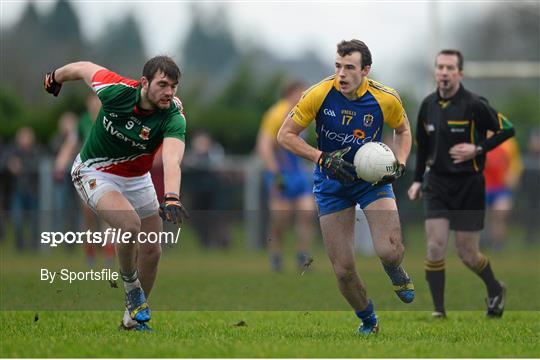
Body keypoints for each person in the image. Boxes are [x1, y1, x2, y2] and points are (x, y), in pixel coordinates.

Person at [277, 39, 414, 334]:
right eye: (338, 66)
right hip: (331, 184)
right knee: (343, 270)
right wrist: (321, 158)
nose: (341, 74)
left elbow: (402, 130)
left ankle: (394, 268)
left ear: (366, 70)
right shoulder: (318, 94)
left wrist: (399, 162)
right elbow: (285, 135)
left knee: (389, 250)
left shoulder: (385, 98)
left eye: (349, 67)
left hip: (371, 182)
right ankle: (368, 319)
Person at [44, 56, 189, 331]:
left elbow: (172, 159)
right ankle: (132, 287)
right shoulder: (116, 90)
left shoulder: (173, 115)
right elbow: (84, 68)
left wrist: (171, 195)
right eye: (162, 84)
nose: (169, 92)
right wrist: (56, 76)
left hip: (137, 179)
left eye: (174, 86)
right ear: (144, 83)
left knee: (152, 251)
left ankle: (131, 319)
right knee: (129, 223)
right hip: (93, 172)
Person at [407, 49, 515, 319]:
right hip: (437, 185)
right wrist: (417, 180)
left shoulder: (475, 103)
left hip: (469, 185)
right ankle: (439, 311)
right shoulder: (427, 105)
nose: (444, 72)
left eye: (450, 68)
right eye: (440, 67)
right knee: (434, 245)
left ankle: (495, 288)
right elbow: (422, 148)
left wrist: (478, 148)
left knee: (467, 253)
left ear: (460, 73)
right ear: (435, 71)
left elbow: (507, 129)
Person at [256, 80, 316, 271]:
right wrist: (275, 171)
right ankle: (276, 254)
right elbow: (264, 145)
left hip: (298, 172)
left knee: (307, 212)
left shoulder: (304, 113)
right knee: (281, 219)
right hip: (280, 172)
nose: (304, 97)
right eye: (301, 93)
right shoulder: (276, 113)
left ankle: (302, 256)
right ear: (290, 93)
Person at [5, 127, 42, 251]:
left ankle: (33, 246)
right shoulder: (12, 151)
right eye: (22, 137)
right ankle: (20, 246)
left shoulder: (37, 151)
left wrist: (21, 166)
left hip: (33, 192)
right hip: (17, 192)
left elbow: (39, 165)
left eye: (26, 137)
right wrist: (10, 165)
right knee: (17, 220)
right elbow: (4, 163)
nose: (24, 140)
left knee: (34, 222)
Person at [483, 137, 523, 251]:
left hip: (501, 188)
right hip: (482, 187)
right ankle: (481, 242)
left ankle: (498, 244)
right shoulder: (477, 140)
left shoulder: (508, 143)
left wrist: (513, 175)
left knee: (499, 215)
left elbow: (515, 164)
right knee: (480, 216)